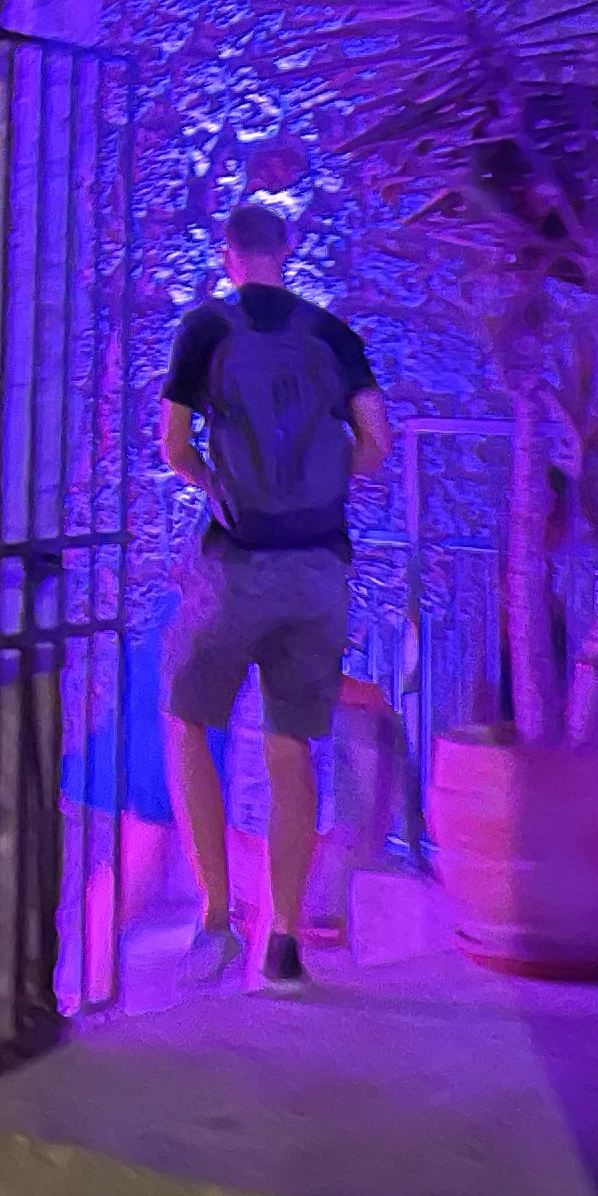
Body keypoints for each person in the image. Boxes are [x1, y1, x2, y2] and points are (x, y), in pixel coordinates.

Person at [157, 197, 388, 997]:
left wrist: (223, 488)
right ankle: (284, 942)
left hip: (236, 564)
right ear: (287, 252)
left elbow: (174, 447)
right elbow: (377, 443)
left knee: (189, 721)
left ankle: (216, 916)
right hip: (319, 570)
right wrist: (315, 491)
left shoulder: (205, 329)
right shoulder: (333, 334)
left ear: (228, 254)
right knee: (291, 751)